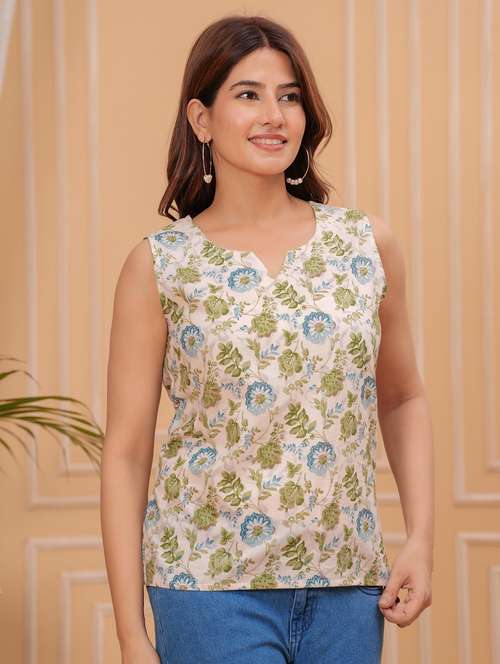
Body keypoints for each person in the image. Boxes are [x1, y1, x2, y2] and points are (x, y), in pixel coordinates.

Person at [100, 14, 434, 664]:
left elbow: (402, 398)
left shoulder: (365, 245)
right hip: (207, 587)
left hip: (347, 584)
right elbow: (127, 452)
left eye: (290, 96)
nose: (274, 115)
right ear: (201, 119)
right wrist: (130, 634)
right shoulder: (161, 265)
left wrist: (421, 536)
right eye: (248, 94)